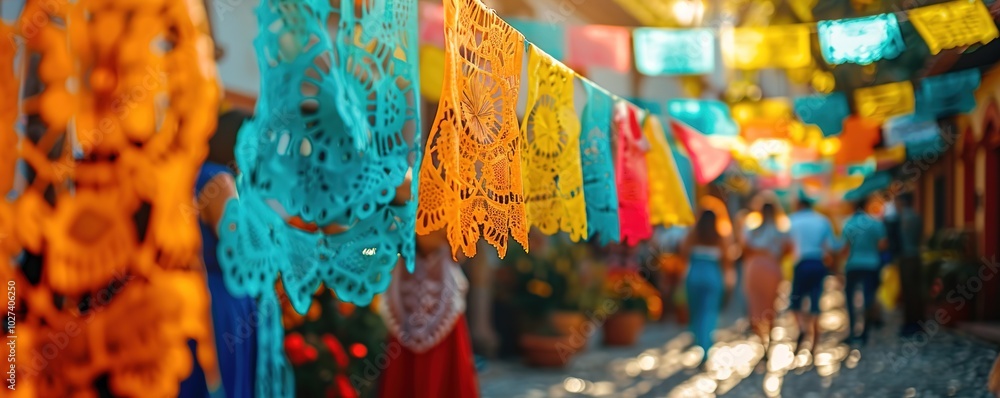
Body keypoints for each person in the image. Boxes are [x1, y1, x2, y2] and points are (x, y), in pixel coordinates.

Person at [180, 110, 258, 397]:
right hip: (221, 300)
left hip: (200, 291)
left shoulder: (197, 171)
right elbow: (240, 248)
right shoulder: (221, 180)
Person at [378, 229, 479, 398]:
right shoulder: (399, 223)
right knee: (404, 371)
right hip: (406, 301)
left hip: (443, 307)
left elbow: (462, 251)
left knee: (444, 369)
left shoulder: (452, 214)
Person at [787, 195, 838, 351]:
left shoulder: (792, 220)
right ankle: (814, 345)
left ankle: (802, 328)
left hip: (801, 264)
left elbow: (785, 244)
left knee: (795, 301)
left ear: (799, 204)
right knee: (815, 303)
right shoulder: (822, 220)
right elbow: (832, 246)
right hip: (818, 263)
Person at [681, 208, 731, 363]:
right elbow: (727, 260)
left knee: (696, 311)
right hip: (712, 276)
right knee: (709, 311)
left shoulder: (693, 235)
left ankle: (699, 339)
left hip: (695, 275)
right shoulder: (719, 237)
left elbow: (683, 253)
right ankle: (706, 345)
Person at [741, 201, 792, 346]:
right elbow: (788, 249)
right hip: (772, 267)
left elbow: (745, 248)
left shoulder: (752, 229)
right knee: (771, 304)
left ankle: (761, 338)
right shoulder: (781, 230)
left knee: (755, 304)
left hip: (755, 268)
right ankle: (769, 335)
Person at [840, 197, 888, 344]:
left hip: (853, 264)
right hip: (871, 264)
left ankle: (852, 330)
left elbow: (844, 248)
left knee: (850, 299)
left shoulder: (848, 223)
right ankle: (865, 332)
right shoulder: (875, 223)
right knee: (868, 297)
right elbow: (883, 244)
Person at [895, 193, 925, 336]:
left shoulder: (900, 219)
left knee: (908, 292)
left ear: (902, 202)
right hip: (916, 255)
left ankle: (910, 324)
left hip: (905, 257)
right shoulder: (917, 217)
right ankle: (918, 322)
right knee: (917, 291)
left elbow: (897, 239)